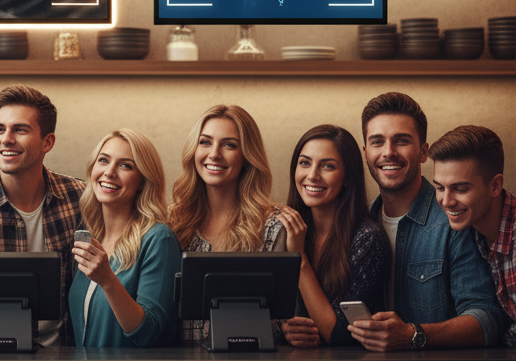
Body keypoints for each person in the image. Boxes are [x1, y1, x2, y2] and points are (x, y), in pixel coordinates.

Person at [350, 91, 506, 351]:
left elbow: (487, 318)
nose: (389, 152)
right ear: (365, 153)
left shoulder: (455, 218)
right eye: (377, 142)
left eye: (401, 141)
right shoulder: (357, 224)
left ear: (423, 152)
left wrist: (413, 335)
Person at [0, 84, 84, 345]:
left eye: (20, 130)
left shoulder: (80, 197)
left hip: (68, 350)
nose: (6, 139)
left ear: (47, 142)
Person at [168, 103, 285, 345]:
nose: (214, 154)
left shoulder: (273, 226)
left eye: (229, 145)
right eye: (205, 142)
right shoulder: (172, 223)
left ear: (247, 157)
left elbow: (279, 320)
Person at [276, 124, 390, 347]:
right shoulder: (287, 229)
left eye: (327, 166)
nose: (312, 175)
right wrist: (285, 329)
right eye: (305, 163)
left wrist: (299, 258)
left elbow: (337, 333)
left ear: (348, 177)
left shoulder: (368, 239)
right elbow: (272, 310)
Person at [69, 128, 180, 347]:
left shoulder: (158, 240)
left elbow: (148, 333)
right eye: (103, 160)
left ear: (142, 181)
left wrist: (108, 280)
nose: (109, 172)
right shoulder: (90, 238)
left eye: (125, 165)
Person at [429, 125, 516, 348]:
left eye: (460, 189)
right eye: (440, 188)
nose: (446, 201)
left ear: (495, 185)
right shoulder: (472, 233)